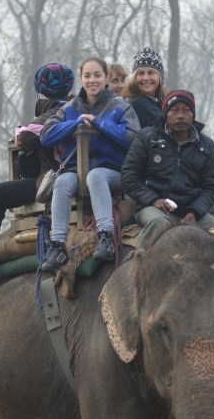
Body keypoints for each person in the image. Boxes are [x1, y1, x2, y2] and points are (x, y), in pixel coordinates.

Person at [0, 63, 74, 286]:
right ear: (70, 86)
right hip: (62, 177)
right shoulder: (72, 107)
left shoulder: (59, 109)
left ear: (41, 90)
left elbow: (26, 136)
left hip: (53, 180)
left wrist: (20, 132)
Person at [39, 56, 140, 272]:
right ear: (81, 79)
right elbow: (46, 135)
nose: (92, 80)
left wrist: (99, 124)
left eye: (97, 75)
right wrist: (75, 123)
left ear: (105, 79)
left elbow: (133, 138)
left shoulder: (121, 107)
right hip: (76, 172)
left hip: (113, 172)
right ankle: (57, 244)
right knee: (63, 181)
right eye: (87, 76)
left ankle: (105, 237)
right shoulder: (70, 108)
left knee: (96, 176)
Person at [120, 89, 214, 250]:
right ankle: (138, 267)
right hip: (153, 208)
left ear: (193, 115)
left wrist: (195, 212)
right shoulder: (147, 137)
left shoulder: (206, 145)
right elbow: (128, 175)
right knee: (159, 224)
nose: (180, 115)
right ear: (165, 113)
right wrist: (153, 199)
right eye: (174, 110)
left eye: (186, 110)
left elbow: (211, 186)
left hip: (192, 211)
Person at [122, 46, 167, 127]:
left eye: (151, 73)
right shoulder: (139, 103)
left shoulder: (158, 101)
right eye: (141, 73)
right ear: (134, 77)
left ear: (160, 77)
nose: (146, 78)